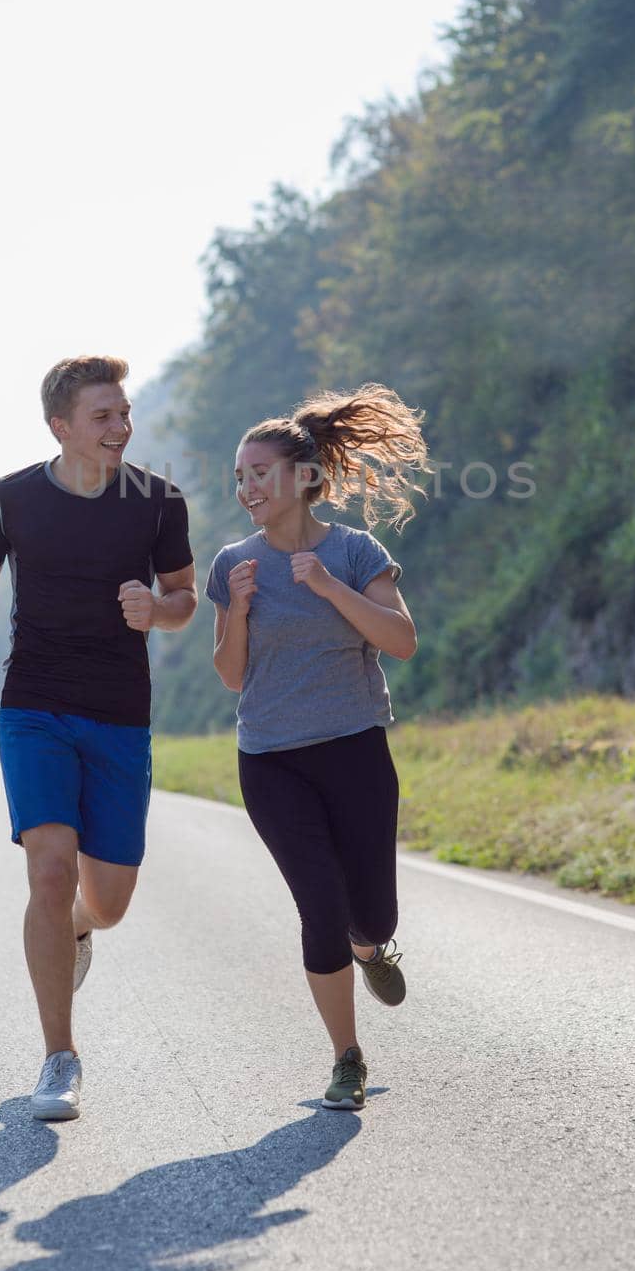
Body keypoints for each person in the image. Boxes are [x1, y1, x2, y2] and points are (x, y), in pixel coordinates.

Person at [0, 355, 196, 1120]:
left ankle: (80, 930)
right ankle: (60, 1057)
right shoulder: (11, 500)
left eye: (123, 412)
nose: (121, 427)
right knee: (49, 872)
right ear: (61, 427)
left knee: (106, 902)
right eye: (103, 416)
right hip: (35, 707)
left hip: (118, 713)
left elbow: (186, 595)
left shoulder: (157, 502)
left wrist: (159, 609)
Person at [205, 383, 430, 1111]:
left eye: (258, 473)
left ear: (303, 478)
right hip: (271, 759)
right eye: (239, 477)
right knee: (319, 906)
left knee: (374, 916)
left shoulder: (356, 552)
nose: (247, 488)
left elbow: (402, 642)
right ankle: (347, 1057)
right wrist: (237, 610)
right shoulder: (232, 564)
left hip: (355, 749)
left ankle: (371, 947)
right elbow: (232, 674)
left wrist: (332, 588)